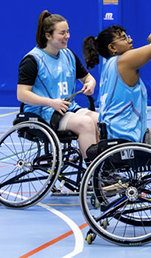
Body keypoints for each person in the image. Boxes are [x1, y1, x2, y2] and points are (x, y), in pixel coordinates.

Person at [83, 25, 151, 152]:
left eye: (127, 36)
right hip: (126, 138)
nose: (130, 40)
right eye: (124, 38)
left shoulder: (108, 65)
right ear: (112, 47)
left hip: (114, 133)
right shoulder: (124, 61)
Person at [16, 10, 99, 156]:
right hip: (44, 112)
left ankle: (102, 167)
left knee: (98, 120)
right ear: (48, 36)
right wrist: (51, 102)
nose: (67, 36)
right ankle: (93, 171)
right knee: (85, 124)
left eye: (68, 32)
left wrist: (91, 84)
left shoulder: (68, 55)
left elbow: (88, 78)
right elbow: (22, 94)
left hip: (68, 109)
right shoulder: (33, 60)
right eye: (62, 33)